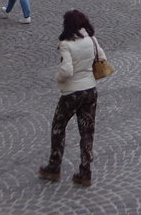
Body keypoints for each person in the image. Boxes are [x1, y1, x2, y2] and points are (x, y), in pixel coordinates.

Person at [38, 10, 101, 187]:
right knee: (87, 132)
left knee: (58, 127)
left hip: (71, 93)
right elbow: (102, 57)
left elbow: (67, 70)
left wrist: (57, 78)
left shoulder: (66, 44)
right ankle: (85, 172)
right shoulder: (92, 39)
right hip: (90, 90)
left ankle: (54, 166)